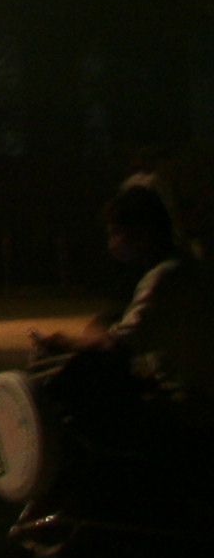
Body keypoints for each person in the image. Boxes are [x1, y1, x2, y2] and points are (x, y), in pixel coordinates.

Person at [31, 181, 209, 431]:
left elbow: (116, 344)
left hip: (190, 404)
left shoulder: (164, 279)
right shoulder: (184, 268)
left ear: (143, 233)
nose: (113, 244)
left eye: (117, 233)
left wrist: (64, 343)